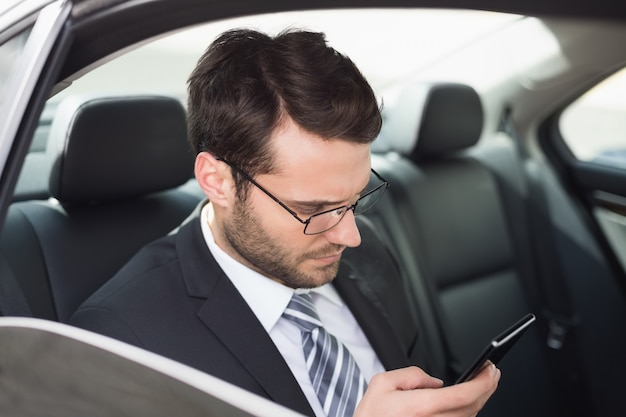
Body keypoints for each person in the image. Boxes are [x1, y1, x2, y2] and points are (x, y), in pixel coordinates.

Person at [70, 28, 499, 417]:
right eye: (313, 209)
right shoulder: (121, 343)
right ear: (217, 181)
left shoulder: (369, 252)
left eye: (356, 198)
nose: (349, 235)